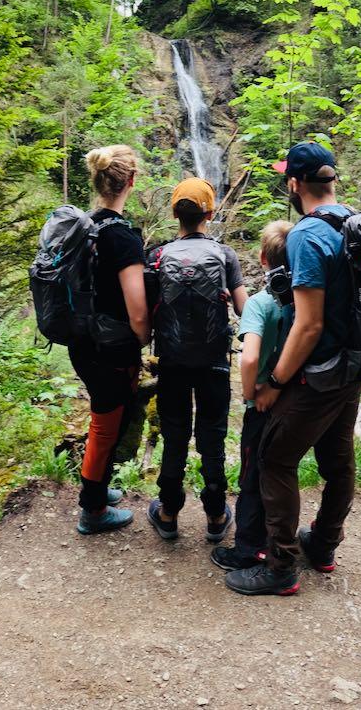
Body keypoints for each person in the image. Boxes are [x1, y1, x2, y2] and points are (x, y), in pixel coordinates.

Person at [225, 142, 361, 597]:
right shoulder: (354, 221)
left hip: (320, 371)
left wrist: (274, 383)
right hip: (353, 367)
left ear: (294, 184)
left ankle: (281, 565)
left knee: (274, 457)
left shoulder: (306, 235)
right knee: (338, 461)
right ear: (333, 180)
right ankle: (323, 544)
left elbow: (309, 325)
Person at [146, 178, 247, 542]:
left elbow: (145, 312)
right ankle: (217, 515)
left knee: (174, 437)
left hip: (172, 362)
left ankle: (169, 512)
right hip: (214, 363)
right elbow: (243, 309)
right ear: (210, 212)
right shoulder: (225, 255)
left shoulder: (158, 256)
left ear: (175, 213)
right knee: (212, 438)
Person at [71, 145, 150, 536]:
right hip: (111, 347)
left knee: (103, 419)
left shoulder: (82, 227)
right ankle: (93, 509)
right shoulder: (122, 237)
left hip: (81, 341)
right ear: (130, 181)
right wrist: (145, 338)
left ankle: (97, 488)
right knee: (106, 426)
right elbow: (137, 310)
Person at [211, 220, 294, 572]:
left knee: (251, 477)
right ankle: (279, 542)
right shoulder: (303, 299)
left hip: (261, 405)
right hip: (293, 400)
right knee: (278, 473)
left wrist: (251, 391)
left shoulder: (260, 304)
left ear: (262, 258)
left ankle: (247, 549)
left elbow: (249, 356)